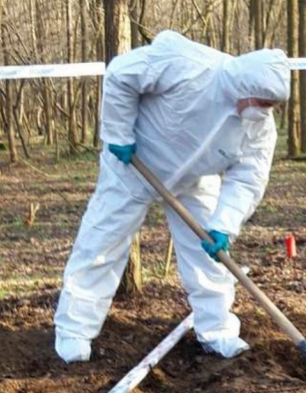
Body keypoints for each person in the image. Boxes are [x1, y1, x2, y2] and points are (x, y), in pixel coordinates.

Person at [54, 31, 290, 363]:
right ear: (242, 87)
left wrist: (225, 224)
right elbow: (121, 74)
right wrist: (118, 132)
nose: (264, 111)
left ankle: (218, 330)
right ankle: (74, 331)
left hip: (194, 180)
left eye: (271, 106)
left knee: (208, 257)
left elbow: (249, 176)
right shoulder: (188, 65)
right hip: (132, 166)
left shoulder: (260, 126)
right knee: (101, 245)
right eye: (262, 103)